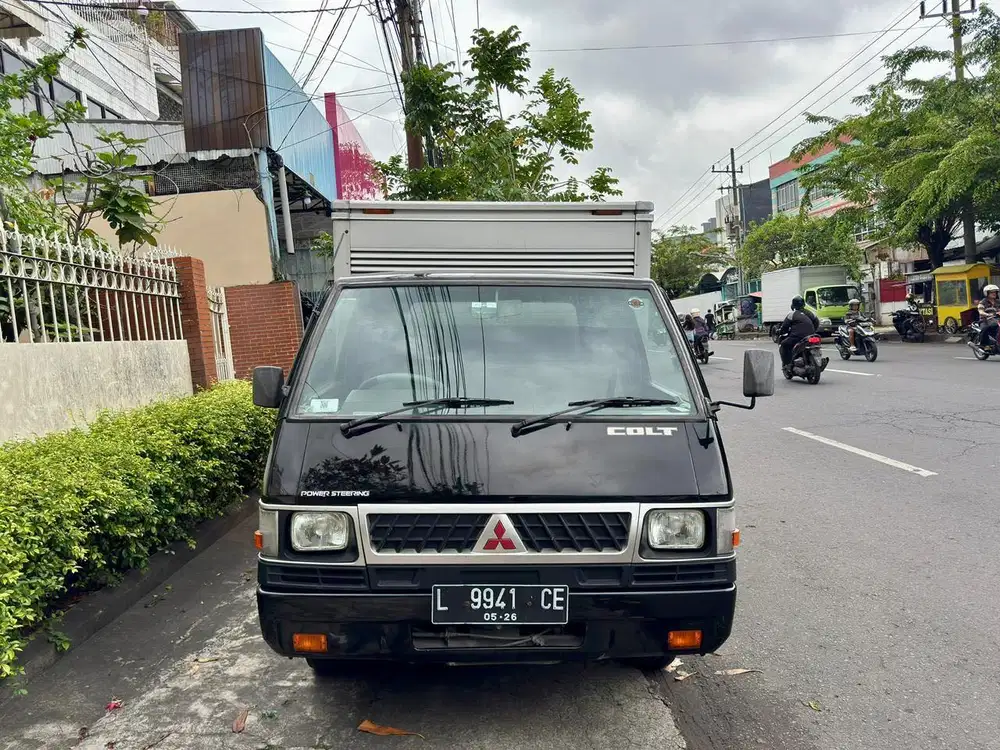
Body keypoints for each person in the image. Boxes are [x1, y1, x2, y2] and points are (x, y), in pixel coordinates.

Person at [778, 296, 820, 371]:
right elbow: (816, 321)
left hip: (798, 336)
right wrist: (813, 331)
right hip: (811, 336)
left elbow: (784, 327)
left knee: (784, 344)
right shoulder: (809, 313)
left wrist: (781, 332)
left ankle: (787, 364)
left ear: (793, 305)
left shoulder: (792, 314)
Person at [978, 284, 1000, 349]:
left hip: (996, 320)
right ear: (986, 293)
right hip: (985, 320)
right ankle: (983, 345)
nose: (994, 293)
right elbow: (981, 311)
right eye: (992, 292)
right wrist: (987, 314)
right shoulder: (983, 302)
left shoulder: (998, 302)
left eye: (995, 292)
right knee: (985, 328)